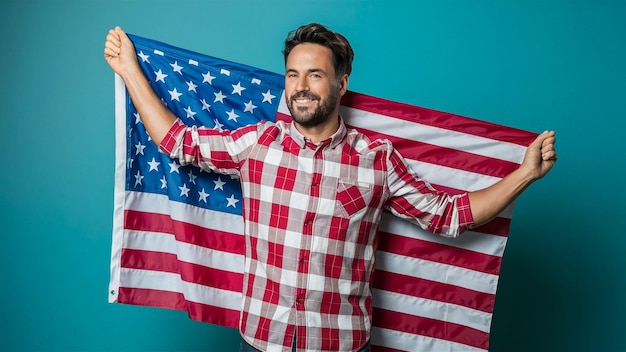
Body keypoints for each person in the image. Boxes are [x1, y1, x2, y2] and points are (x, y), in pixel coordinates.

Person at [104, 23, 556, 352]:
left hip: (341, 345)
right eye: (293, 75)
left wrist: (523, 175)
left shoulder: (377, 159)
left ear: (341, 83)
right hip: (262, 342)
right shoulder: (257, 144)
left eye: (315, 75)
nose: (301, 88)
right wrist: (129, 70)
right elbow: (177, 141)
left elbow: (449, 215)